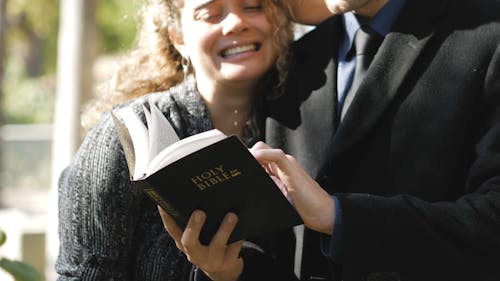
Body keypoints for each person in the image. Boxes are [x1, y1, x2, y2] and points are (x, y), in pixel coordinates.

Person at [161, 0, 500, 280]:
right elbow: (274, 248)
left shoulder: (489, 34)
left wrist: (339, 217)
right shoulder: (290, 63)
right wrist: (230, 270)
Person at [55, 0, 301, 279]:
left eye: (253, 6)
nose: (235, 23)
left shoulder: (305, 131)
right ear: (178, 36)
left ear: (280, 20)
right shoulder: (127, 134)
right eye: (210, 13)